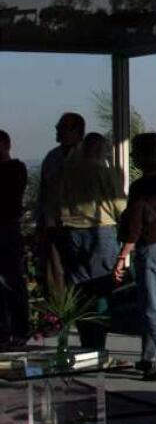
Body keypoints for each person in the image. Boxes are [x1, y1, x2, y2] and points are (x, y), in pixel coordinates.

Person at [115, 133, 156, 381]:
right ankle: (148, 357)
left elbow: (135, 224)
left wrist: (123, 254)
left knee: (153, 308)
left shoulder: (141, 187)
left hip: (152, 247)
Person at [57, 132, 126, 351]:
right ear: (101, 150)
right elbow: (118, 204)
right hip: (101, 230)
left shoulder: (68, 173)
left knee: (80, 290)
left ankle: (87, 339)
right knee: (103, 287)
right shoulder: (105, 173)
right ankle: (99, 341)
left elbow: (58, 200)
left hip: (72, 230)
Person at [35, 112, 85, 298]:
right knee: (55, 275)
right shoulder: (52, 157)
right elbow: (44, 191)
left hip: (81, 226)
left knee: (81, 275)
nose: (57, 131)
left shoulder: (87, 156)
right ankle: (58, 317)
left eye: (62, 127)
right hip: (54, 225)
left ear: (76, 131)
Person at [0, 130, 29, 348]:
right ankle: (8, 328)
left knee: (12, 281)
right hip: (9, 227)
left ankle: (17, 329)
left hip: (8, 227)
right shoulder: (16, 169)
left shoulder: (15, 169)